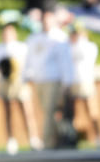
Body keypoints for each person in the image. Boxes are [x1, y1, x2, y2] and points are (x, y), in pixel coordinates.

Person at [24, 9, 71, 149]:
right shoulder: (34, 38)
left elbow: (66, 61)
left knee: (50, 111)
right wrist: (25, 75)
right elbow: (29, 59)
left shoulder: (60, 38)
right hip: (39, 80)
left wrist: (67, 81)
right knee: (47, 112)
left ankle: (46, 143)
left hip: (54, 79)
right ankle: (59, 140)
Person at [0, 23, 41, 154]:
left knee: (27, 111)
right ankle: (11, 140)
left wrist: (26, 77)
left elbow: (29, 64)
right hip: (5, 84)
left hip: (20, 82)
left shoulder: (22, 47)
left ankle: (33, 139)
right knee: (8, 113)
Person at [66, 22, 100, 148]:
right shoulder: (69, 47)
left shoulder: (89, 46)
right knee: (73, 114)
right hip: (72, 82)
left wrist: (80, 37)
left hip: (86, 81)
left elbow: (84, 53)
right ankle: (73, 139)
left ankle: (98, 138)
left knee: (92, 111)